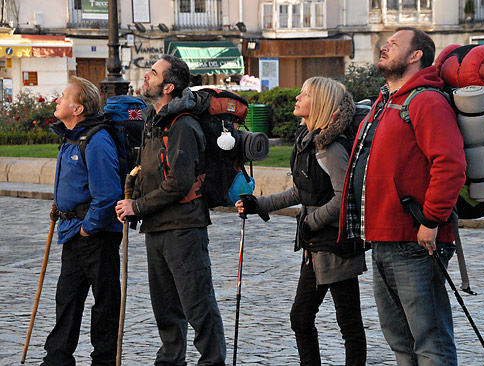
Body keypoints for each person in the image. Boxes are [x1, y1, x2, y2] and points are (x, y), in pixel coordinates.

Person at [338, 27, 467, 365]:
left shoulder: (426, 100)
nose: (384, 47)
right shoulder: (386, 100)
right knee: (400, 341)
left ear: (415, 56)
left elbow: (450, 164)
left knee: (429, 341)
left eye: (394, 44)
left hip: (415, 240)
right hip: (382, 237)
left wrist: (432, 220)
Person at [236, 76, 367, 365]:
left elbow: (342, 197)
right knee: (301, 318)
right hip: (315, 246)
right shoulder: (307, 141)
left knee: (349, 324)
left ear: (318, 103)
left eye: (305, 94)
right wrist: (259, 203)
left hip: (335, 247)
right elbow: (303, 190)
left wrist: (311, 223)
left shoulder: (330, 148)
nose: (298, 97)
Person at [115, 55, 226, 365]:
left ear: (168, 86)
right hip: (157, 228)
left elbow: (179, 183)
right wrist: (132, 200)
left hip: (183, 229)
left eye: (153, 73)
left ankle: (212, 361)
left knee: (197, 305)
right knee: (165, 308)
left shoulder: (183, 125)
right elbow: (149, 170)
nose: (146, 77)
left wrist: (136, 205)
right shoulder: (154, 119)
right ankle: (170, 360)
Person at [42, 76, 123, 365]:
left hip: (95, 234)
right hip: (71, 232)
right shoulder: (71, 136)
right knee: (67, 299)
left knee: (105, 302)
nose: (57, 100)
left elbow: (108, 193)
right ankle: (57, 358)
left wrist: (89, 227)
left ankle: (104, 360)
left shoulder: (96, 139)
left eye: (63, 97)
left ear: (78, 109)